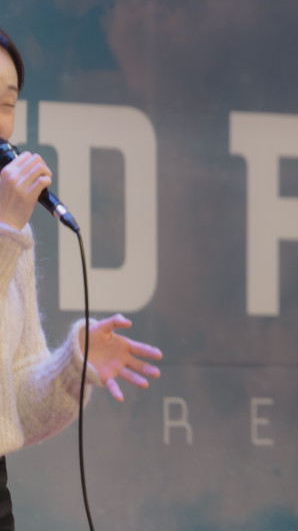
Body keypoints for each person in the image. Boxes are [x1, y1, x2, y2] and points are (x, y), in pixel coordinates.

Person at [0, 27, 163, 530]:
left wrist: (72, 366)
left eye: (6, 103)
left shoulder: (11, 229)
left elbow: (14, 404)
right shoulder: (8, 228)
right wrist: (6, 231)